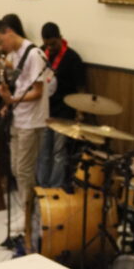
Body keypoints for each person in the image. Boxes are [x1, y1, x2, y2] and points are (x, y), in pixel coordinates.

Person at [0, 15, 50, 253]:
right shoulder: (15, 55)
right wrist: (8, 101)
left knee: (25, 171)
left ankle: (30, 217)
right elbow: (20, 86)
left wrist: (12, 99)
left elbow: (38, 91)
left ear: (9, 32)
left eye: (0, 42)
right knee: (16, 168)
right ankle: (22, 211)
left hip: (32, 121)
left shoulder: (34, 54)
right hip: (18, 117)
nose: (1, 48)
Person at [37, 21, 89, 188]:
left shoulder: (72, 58)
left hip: (64, 111)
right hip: (44, 109)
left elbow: (81, 88)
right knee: (43, 151)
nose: (50, 48)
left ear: (60, 38)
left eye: (53, 44)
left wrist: (80, 111)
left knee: (59, 152)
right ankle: (42, 185)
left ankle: (55, 186)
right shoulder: (40, 54)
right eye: (47, 44)